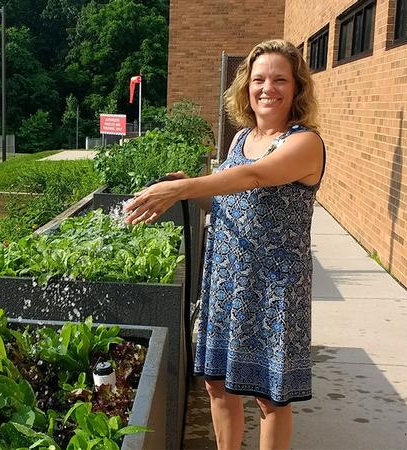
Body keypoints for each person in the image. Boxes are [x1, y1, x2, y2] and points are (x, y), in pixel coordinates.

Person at [123, 39, 324, 450]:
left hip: (273, 288)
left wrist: (185, 185)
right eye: (259, 79)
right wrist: (180, 190)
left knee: (269, 398)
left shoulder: (305, 143)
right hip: (227, 279)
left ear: (297, 88)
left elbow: (253, 178)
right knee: (217, 385)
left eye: (280, 79)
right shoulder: (240, 139)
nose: (268, 88)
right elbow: (223, 198)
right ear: (246, 88)